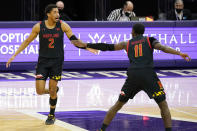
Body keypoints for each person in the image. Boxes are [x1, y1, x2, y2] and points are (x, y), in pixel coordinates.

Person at [73, 23, 191, 131]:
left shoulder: (127, 44)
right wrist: (179, 53)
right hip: (148, 75)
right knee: (163, 104)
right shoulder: (150, 40)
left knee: (118, 104)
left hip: (133, 76)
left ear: (133, 32)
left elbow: (107, 47)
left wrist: (87, 44)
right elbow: (164, 48)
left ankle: (101, 129)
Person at [6, 4, 96, 125]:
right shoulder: (39, 26)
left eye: (58, 12)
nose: (57, 14)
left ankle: (51, 114)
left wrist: (87, 47)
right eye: (54, 12)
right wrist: (14, 55)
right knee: (39, 91)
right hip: (43, 62)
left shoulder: (63, 25)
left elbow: (74, 40)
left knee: (53, 89)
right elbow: (27, 41)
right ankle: (52, 91)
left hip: (57, 62)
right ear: (48, 14)